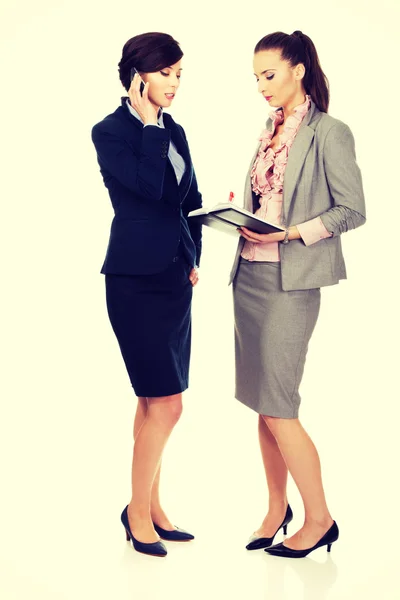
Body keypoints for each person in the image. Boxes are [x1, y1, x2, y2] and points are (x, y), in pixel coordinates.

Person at [229, 30, 366, 559]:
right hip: (249, 276)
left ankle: (320, 520)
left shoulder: (330, 132)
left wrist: (288, 233)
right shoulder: (269, 130)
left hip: (293, 282)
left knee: (281, 406)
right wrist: (242, 220)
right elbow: (270, 201)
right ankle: (275, 508)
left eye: (270, 74)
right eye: (256, 77)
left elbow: (351, 210)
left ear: (298, 70)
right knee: (264, 407)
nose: (262, 86)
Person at [91, 32, 202, 557]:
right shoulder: (110, 131)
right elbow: (148, 189)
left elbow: (189, 200)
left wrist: (193, 257)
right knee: (169, 404)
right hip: (134, 281)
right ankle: (137, 514)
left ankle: (151, 506)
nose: (175, 83)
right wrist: (151, 126)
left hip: (174, 280)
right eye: (166, 73)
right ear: (139, 76)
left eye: (179, 73)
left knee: (153, 399)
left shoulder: (175, 129)